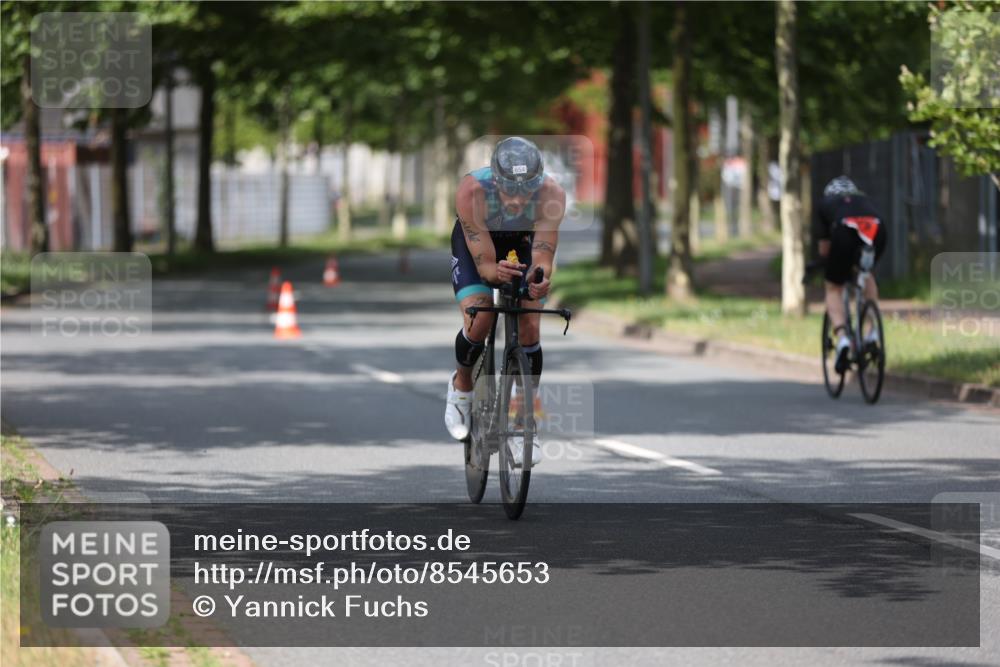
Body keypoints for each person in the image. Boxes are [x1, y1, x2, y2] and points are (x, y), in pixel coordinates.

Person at [444, 137, 566, 466]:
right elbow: (484, 265)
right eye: (509, 189)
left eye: (526, 189)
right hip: (479, 246)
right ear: (495, 181)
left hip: (523, 242)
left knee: (530, 324)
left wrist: (538, 279)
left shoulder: (551, 195)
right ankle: (461, 387)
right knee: (479, 317)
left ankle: (525, 420)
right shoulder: (471, 192)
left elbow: (542, 254)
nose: (517, 198)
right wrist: (493, 270)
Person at [814, 176, 887, 373]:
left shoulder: (825, 203)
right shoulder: (865, 199)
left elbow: (824, 249)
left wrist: (828, 264)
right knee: (866, 272)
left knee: (833, 287)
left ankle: (843, 337)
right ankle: (872, 331)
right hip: (877, 229)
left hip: (844, 230)